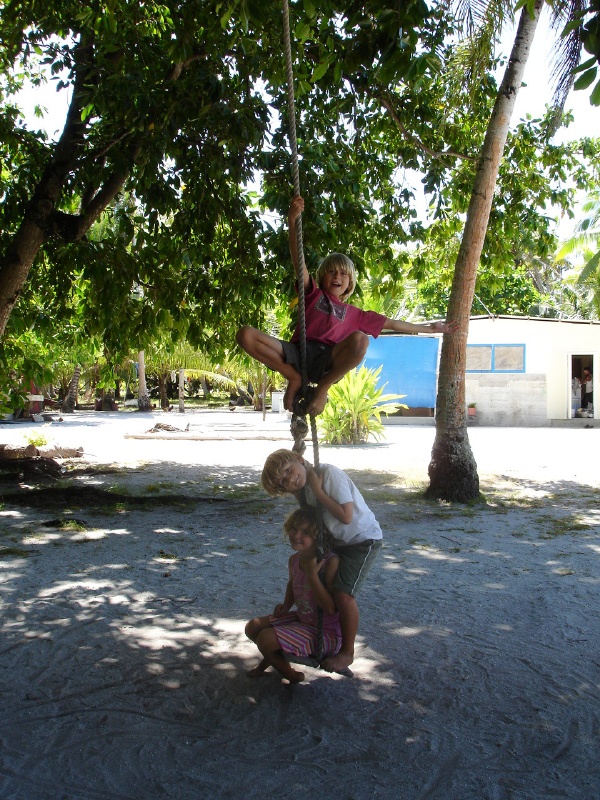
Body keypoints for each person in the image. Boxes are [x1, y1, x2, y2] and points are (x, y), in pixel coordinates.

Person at [236, 195, 458, 416]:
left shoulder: (356, 314)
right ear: (323, 277)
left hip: (328, 361)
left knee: (361, 339)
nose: (337, 276)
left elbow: (395, 324)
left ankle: (323, 388)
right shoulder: (312, 294)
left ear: (349, 283)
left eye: (343, 274)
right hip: (299, 352)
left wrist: (431, 329)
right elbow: (299, 261)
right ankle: (293, 377)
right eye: (332, 271)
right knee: (245, 334)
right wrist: (292, 221)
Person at [261, 448, 382, 672]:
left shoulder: (328, 475)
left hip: (362, 540)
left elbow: (346, 517)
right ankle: (316, 632)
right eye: (283, 481)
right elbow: (312, 515)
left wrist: (317, 490)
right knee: (317, 581)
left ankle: (347, 653)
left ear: (299, 460)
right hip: (339, 542)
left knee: (343, 595)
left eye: (289, 470)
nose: (290, 479)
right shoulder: (305, 489)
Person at [245, 507, 341, 684]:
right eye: (294, 528)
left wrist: (313, 575)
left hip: (326, 633)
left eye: (305, 532)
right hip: (302, 619)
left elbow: (330, 608)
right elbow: (292, 583)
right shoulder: (294, 560)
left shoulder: (329, 562)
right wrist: (286, 606)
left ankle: (291, 675)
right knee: (253, 627)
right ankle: (276, 661)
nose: (296, 535)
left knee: (266, 639)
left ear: (319, 536)